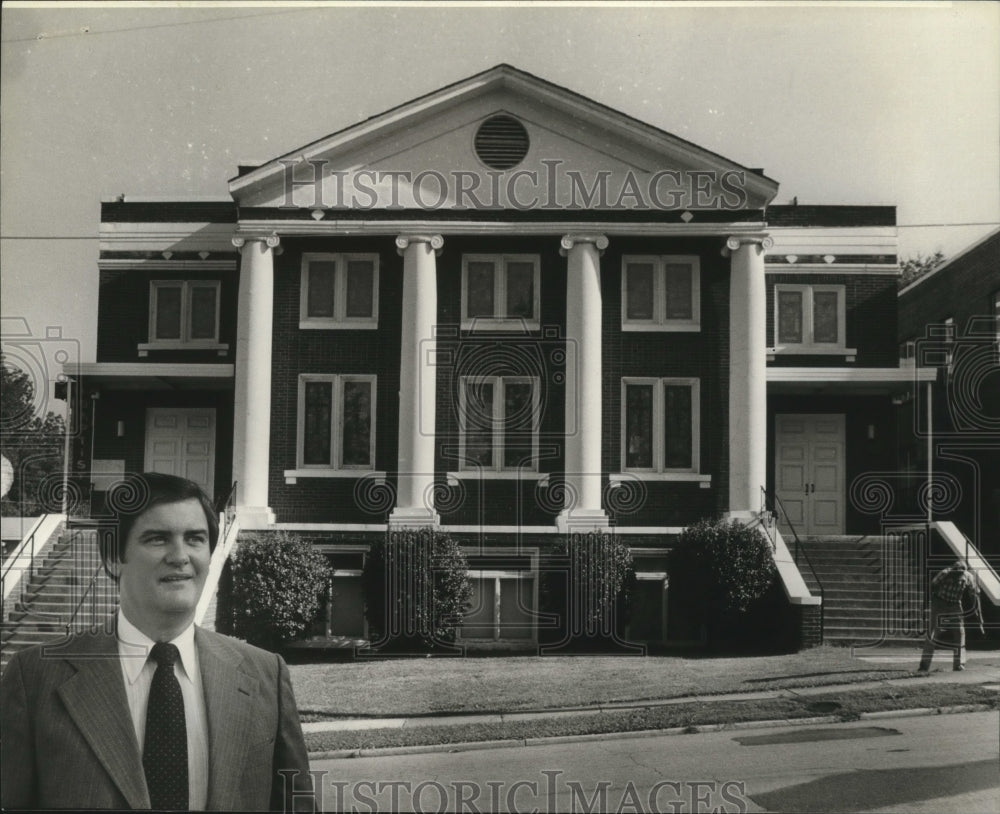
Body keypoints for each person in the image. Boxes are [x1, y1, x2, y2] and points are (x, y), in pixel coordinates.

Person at [1, 472, 316, 811]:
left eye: (195, 538)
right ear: (112, 559)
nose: (180, 556)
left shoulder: (265, 674)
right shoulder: (34, 679)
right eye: (157, 539)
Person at [918, 559, 984, 672]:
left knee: (959, 632)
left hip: (955, 603)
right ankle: (924, 664)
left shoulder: (968, 577)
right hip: (939, 602)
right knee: (933, 633)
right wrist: (924, 607)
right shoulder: (944, 573)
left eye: (959, 575)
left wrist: (980, 619)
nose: (956, 577)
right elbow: (930, 588)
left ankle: (959, 664)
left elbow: (975, 596)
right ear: (952, 570)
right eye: (955, 574)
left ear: (963, 573)